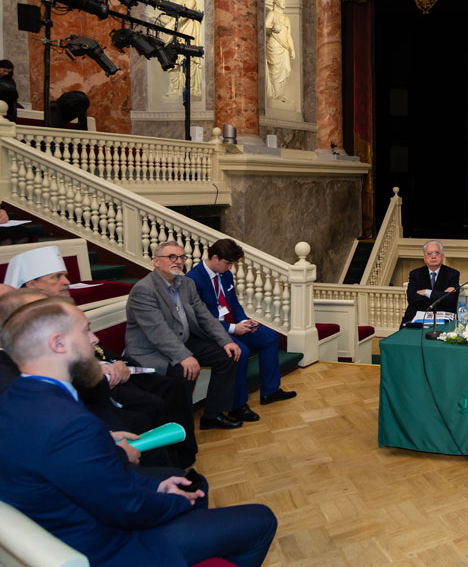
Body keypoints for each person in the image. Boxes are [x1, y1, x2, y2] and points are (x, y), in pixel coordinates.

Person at [0, 298, 277, 566]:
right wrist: (174, 499)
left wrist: (157, 486)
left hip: (67, 526)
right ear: (58, 344)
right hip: (109, 547)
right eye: (85, 331)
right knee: (261, 519)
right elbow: (128, 508)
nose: (95, 339)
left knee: (187, 484)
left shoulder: (16, 400)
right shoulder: (70, 424)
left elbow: (83, 475)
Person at [4, 246, 196, 465]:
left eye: (65, 275)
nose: (66, 282)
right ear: (31, 284)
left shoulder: (61, 306)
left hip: (107, 371)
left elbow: (94, 347)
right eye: (56, 277)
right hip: (89, 387)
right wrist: (104, 369)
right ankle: (165, 467)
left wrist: (117, 362)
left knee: (171, 387)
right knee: (151, 408)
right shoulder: (30, 325)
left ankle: (183, 457)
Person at [125, 241, 244, 431]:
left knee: (227, 356)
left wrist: (225, 341)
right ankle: (181, 429)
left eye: (181, 257)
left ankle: (213, 416)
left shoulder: (186, 284)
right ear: (156, 261)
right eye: (171, 257)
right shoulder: (144, 289)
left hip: (183, 341)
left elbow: (204, 316)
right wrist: (184, 356)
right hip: (153, 350)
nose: (178, 261)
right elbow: (158, 331)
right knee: (185, 371)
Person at [186, 239, 296, 422]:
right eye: (228, 263)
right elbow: (200, 320)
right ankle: (237, 406)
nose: (230, 267)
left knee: (269, 337)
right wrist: (233, 328)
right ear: (215, 258)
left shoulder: (225, 274)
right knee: (241, 352)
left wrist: (244, 320)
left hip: (233, 325)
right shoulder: (193, 280)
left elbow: (234, 304)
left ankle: (270, 391)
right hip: (214, 332)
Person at [401, 240, 461, 325]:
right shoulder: (415, 274)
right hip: (418, 318)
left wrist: (427, 292)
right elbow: (412, 299)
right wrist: (441, 296)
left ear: (442, 256)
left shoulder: (452, 274)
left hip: (442, 318)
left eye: (437, 253)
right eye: (429, 253)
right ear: (424, 258)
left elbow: (451, 300)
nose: (433, 256)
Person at [265, 0, 296, 99]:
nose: (284, 3)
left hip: (284, 48)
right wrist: (273, 29)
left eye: (284, 1)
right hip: (274, 45)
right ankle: (274, 94)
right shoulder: (272, 13)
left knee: (285, 69)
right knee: (274, 70)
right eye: (282, 1)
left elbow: (288, 36)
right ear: (277, 3)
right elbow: (265, 27)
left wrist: (292, 49)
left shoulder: (287, 19)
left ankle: (279, 94)